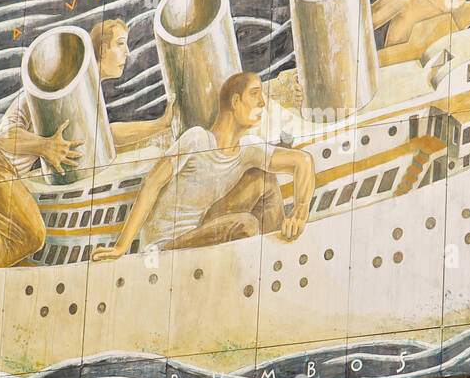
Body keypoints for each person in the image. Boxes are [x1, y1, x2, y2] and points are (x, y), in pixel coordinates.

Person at [0, 19, 173, 272]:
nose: (127, 52)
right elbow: (5, 137)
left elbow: (106, 135)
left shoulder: (87, 93)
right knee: (29, 235)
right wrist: (44, 146)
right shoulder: (55, 89)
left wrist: (159, 125)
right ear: (101, 48)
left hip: (1, 174)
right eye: (120, 44)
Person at [91, 72, 315, 260]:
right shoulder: (197, 139)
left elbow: (303, 161)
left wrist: (300, 212)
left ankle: (277, 254)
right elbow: (152, 184)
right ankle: (268, 260)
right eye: (255, 94)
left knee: (263, 179)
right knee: (246, 224)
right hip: (167, 246)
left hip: (203, 228)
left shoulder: (248, 149)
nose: (262, 103)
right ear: (235, 101)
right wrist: (121, 247)